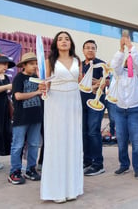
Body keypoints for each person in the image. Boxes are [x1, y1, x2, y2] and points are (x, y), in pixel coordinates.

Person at [40, 31, 83, 203]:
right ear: (55, 43)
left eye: (66, 39)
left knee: (72, 142)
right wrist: (43, 87)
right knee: (56, 143)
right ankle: (56, 190)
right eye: (60, 39)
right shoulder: (49, 61)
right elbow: (46, 83)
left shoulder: (77, 60)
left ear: (71, 42)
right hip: (56, 102)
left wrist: (95, 84)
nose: (63, 41)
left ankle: (72, 188)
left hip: (74, 101)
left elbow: (80, 81)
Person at [110, 35, 138, 179]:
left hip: (137, 109)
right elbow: (115, 64)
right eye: (128, 59)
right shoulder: (119, 73)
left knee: (136, 140)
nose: (130, 61)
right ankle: (124, 165)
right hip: (120, 110)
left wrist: (131, 47)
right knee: (121, 139)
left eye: (132, 59)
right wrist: (121, 48)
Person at [8, 52, 43, 185]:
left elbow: (42, 93)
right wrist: (37, 92)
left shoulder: (36, 77)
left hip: (36, 116)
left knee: (34, 144)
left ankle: (31, 169)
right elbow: (17, 96)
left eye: (36, 63)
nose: (34, 66)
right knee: (17, 145)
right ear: (24, 65)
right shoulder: (19, 78)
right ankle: (14, 171)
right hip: (21, 117)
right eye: (31, 64)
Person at [81, 39, 107, 176]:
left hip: (96, 104)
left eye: (93, 48)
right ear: (83, 50)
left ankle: (98, 164)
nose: (90, 50)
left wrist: (99, 83)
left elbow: (109, 80)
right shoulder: (79, 65)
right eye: (87, 48)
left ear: (95, 50)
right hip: (81, 102)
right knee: (84, 133)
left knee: (93, 132)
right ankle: (87, 161)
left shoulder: (101, 64)